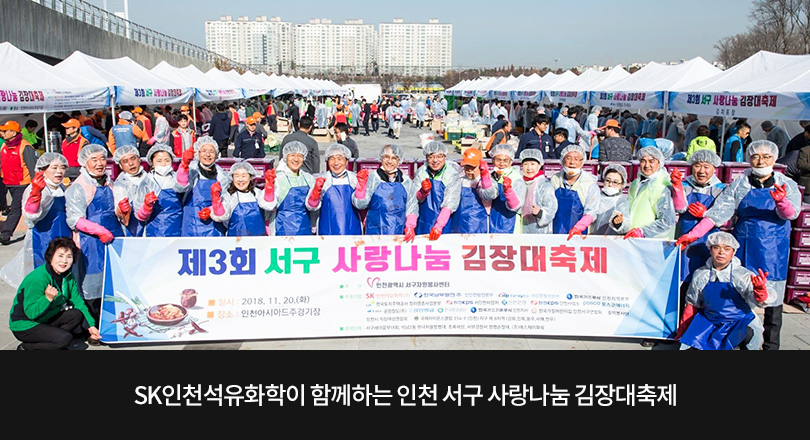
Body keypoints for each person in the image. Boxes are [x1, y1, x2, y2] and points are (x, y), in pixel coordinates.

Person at [676, 140, 801, 350]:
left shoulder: (786, 184)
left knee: (773, 298)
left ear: (774, 158)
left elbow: (791, 213)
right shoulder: (740, 184)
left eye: (766, 157)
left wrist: (781, 201)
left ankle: (771, 345)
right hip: (743, 244)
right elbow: (717, 214)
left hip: (773, 249)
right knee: (737, 293)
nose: (760, 161)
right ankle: (742, 337)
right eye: (755, 156)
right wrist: (692, 234)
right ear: (749, 159)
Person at [675, 232, 772, 350]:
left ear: (733, 252)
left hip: (738, 322)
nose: (721, 252)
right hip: (708, 321)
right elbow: (693, 304)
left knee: (744, 336)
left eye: (727, 249)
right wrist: (684, 328)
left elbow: (757, 301)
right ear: (710, 250)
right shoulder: (701, 275)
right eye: (716, 248)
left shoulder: (743, 275)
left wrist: (760, 292)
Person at [65, 144, 124, 320]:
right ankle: (93, 325)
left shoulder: (108, 182)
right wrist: (98, 230)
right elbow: (75, 219)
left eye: (102, 159)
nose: (99, 163)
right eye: (94, 159)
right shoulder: (79, 186)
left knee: (112, 283)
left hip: (113, 238)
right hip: (89, 242)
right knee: (93, 285)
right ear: (85, 162)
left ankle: (113, 321)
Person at [9, 237, 100, 350]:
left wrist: (91, 326)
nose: (64, 261)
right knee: (65, 338)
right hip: (25, 324)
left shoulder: (68, 276)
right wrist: (47, 298)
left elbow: (77, 302)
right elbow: (31, 313)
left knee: (76, 315)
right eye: (60, 256)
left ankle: (53, 340)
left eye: (69, 257)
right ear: (51, 257)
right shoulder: (38, 278)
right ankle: (26, 347)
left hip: (45, 318)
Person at [671, 150, 726, 286]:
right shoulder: (685, 185)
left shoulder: (721, 189)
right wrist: (677, 187)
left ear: (714, 168)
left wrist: (706, 214)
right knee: (683, 277)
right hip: (684, 237)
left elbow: (724, 218)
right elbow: (680, 208)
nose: (701, 171)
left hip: (708, 240)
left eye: (706, 167)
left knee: (704, 278)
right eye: (697, 166)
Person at [353, 144, 419, 238]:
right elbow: (361, 204)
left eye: (394, 158)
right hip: (375, 231)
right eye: (386, 157)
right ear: (381, 158)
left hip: (398, 231)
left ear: (399, 161)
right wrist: (361, 186)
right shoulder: (373, 178)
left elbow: (412, 207)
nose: (389, 161)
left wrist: (410, 226)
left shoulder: (406, 181)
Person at [20, 153, 72, 269]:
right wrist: (35, 194)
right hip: (42, 239)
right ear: (42, 170)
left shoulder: (62, 188)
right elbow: (30, 216)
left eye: (62, 167)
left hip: (63, 239)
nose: (59, 172)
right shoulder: (36, 188)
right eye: (54, 168)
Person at [175, 136, 231, 237]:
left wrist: (211, 210)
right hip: (191, 223)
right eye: (204, 151)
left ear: (217, 154)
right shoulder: (192, 171)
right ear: (198, 153)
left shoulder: (222, 176)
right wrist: (184, 166)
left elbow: (226, 201)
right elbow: (181, 186)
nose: (208, 155)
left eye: (211, 151)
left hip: (214, 226)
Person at [617, 146, 676, 240]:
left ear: (659, 163)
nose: (647, 165)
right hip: (632, 239)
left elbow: (666, 222)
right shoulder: (635, 184)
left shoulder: (662, 186)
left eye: (651, 161)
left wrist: (643, 231)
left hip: (652, 243)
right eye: (643, 161)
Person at [306, 143, 363, 236]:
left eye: (340, 158)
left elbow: (361, 204)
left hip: (353, 230)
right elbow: (311, 207)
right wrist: (315, 192)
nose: (336, 163)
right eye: (332, 159)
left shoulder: (354, 178)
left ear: (346, 161)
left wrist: (362, 187)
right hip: (327, 231)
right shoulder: (322, 179)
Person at [210, 161, 274, 237]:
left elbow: (268, 207)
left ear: (250, 177)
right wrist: (216, 198)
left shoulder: (258, 193)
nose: (240, 180)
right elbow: (221, 217)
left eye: (244, 176)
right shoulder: (229, 196)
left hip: (259, 242)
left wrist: (269, 188)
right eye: (237, 176)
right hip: (236, 242)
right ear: (232, 178)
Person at [413, 141, 462, 240]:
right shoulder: (421, 172)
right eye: (431, 157)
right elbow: (414, 199)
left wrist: (439, 226)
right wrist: (422, 192)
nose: (435, 160)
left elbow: (450, 204)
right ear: (426, 158)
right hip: (423, 220)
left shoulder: (451, 174)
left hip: (444, 223)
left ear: (445, 157)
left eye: (439, 156)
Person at [132, 144, 183, 237]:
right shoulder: (147, 182)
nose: (163, 164)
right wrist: (146, 207)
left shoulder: (177, 179)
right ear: (152, 162)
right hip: (154, 231)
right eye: (159, 161)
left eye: (167, 160)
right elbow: (139, 215)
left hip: (178, 228)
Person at [0, 120, 38, 246]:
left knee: (16, 209)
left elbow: (33, 168)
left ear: (13, 132)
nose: (2, 133)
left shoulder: (25, 147)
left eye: (5, 131)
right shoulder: (4, 146)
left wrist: (34, 186)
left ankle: (5, 234)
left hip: (22, 184)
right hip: (7, 182)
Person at [549, 144, 600, 237]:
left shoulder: (589, 184)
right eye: (568, 158)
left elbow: (592, 212)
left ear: (582, 162)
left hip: (579, 234)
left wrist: (579, 227)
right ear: (562, 160)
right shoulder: (555, 179)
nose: (572, 162)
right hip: (555, 232)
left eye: (576, 159)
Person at [269, 142, 317, 236]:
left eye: (300, 155)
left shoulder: (308, 179)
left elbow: (314, 207)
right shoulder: (279, 179)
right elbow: (269, 206)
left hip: (305, 227)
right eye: (292, 155)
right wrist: (268, 189)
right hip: (282, 228)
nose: (296, 159)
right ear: (285, 157)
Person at [450, 148, 497, 234]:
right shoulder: (459, 180)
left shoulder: (487, 181)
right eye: (467, 167)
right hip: (458, 225)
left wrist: (485, 177)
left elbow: (490, 195)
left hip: (479, 226)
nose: (470, 170)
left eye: (473, 167)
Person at [486, 144, 525, 234]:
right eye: (498, 160)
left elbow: (516, 206)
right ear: (492, 160)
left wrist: (508, 190)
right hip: (493, 219)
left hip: (510, 222)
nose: (502, 164)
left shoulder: (516, 178)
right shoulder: (492, 176)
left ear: (511, 162)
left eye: (505, 160)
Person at [518, 149, 557, 234]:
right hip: (520, 228)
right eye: (525, 164)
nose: (529, 168)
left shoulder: (545, 185)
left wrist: (540, 212)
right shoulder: (519, 182)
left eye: (533, 164)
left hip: (539, 230)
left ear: (539, 165)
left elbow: (551, 208)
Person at [112, 145, 148, 237]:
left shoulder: (150, 178)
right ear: (120, 166)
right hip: (133, 231)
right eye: (125, 161)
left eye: (133, 158)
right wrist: (122, 211)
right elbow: (120, 214)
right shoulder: (120, 185)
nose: (131, 163)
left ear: (139, 159)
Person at [592, 164, 630, 236]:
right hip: (589, 239)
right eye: (608, 180)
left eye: (615, 182)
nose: (610, 184)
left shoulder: (621, 201)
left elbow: (627, 224)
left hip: (610, 241)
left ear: (622, 184)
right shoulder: (596, 196)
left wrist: (619, 223)